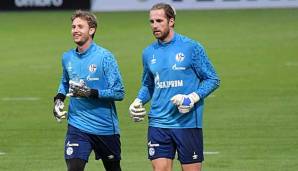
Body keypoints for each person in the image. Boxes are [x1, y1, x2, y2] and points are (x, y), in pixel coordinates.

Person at [129, 3, 220, 171]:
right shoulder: (148, 53)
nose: (154, 25)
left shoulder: (191, 47)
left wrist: (191, 98)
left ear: (171, 21)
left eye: (159, 20)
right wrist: (138, 101)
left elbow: (212, 79)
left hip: (187, 124)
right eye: (151, 21)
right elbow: (148, 84)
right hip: (158, 122)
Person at [53, 10, 124, 171]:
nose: (75, 30)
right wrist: (58, 99)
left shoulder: (105, 57)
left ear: (91, 30)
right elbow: (65, 82)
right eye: (73, 27)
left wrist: (90, 93)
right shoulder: (67, 57)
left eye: (80, 26)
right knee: (74, 168)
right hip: (77, 125)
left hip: (104, 127)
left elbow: (119, 92)